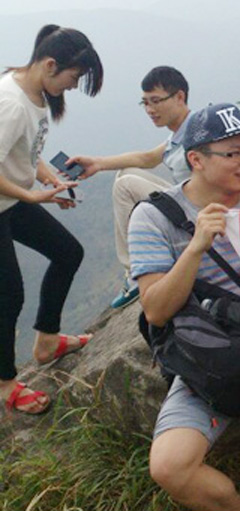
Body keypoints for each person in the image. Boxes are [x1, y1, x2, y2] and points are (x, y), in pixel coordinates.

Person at [128, 102, 240, 511]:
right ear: (195, 159)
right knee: (170, 467)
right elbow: (156, 311)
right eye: (234, 153)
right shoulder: (154, 217)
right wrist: (196, 248)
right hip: (218, 353)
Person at [0, 24, 102, 415]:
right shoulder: (11, 102)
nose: (74, 87)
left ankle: (46, 341)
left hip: (11, 199)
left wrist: (47, 177)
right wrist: (32, 195)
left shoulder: (33, 90)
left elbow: (22, 148)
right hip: (8, 200)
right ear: (50, 64)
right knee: (9, 295)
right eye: (74, 78)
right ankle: (6, 383)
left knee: (67, 252)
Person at [69, 66, 192, 308]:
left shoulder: (196, 132)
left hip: (197, 213)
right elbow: (148, 159)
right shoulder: (182, 130)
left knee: (125, 185)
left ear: (180, 97)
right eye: (144, 103)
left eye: (155, 101)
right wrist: (97, 163)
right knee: (126, 172)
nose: (149, 110)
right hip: (187, 200)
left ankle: (135, 273)